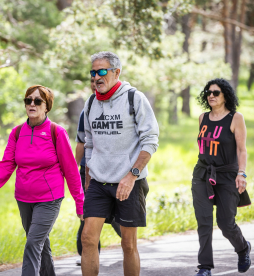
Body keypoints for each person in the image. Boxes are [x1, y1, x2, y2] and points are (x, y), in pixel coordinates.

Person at [0, 85, 84, 276]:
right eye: (28, 100)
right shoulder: (17, 132)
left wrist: (80, 203)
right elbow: (6, 163)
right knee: (41, 245)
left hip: (49, 198)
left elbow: (71, 170)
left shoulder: (56, 132)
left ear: (47, 107)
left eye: (37, 101)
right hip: (24, 198)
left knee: (32, 244)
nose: (32, 104)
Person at [81, 51, 159, 276]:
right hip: (98, 183)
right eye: (93, 72)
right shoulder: (91, 102)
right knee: (87, 239)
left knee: (128, 244)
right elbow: (89, 143)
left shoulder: (135, 98)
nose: (96, 77)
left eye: (102, 71)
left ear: (117, 72)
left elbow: (150, 141)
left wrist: (132, 175)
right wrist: (88, 178)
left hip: (129, 183)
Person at [192, 78, 251, 276]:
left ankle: (243, 248)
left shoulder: (236, 118)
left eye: (216, 92)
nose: (211, 95)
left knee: (226, 223)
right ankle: (205, 267)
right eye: (208, 92)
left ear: (225, 95)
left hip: (227, 176)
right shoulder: (202, 118)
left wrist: (241, 173)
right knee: (204, 221)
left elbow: (242, 150)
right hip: (202, 174)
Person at [74, 77, 121, 266]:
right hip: (88, 171)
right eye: (93, 82)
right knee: (86, 216)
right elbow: (80, 143)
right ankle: (88, 254)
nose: (96, 84)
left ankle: (128, 242)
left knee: (117, 217)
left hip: (113, 171)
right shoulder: (87, 110)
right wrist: (72, 171)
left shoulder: (120, 109)